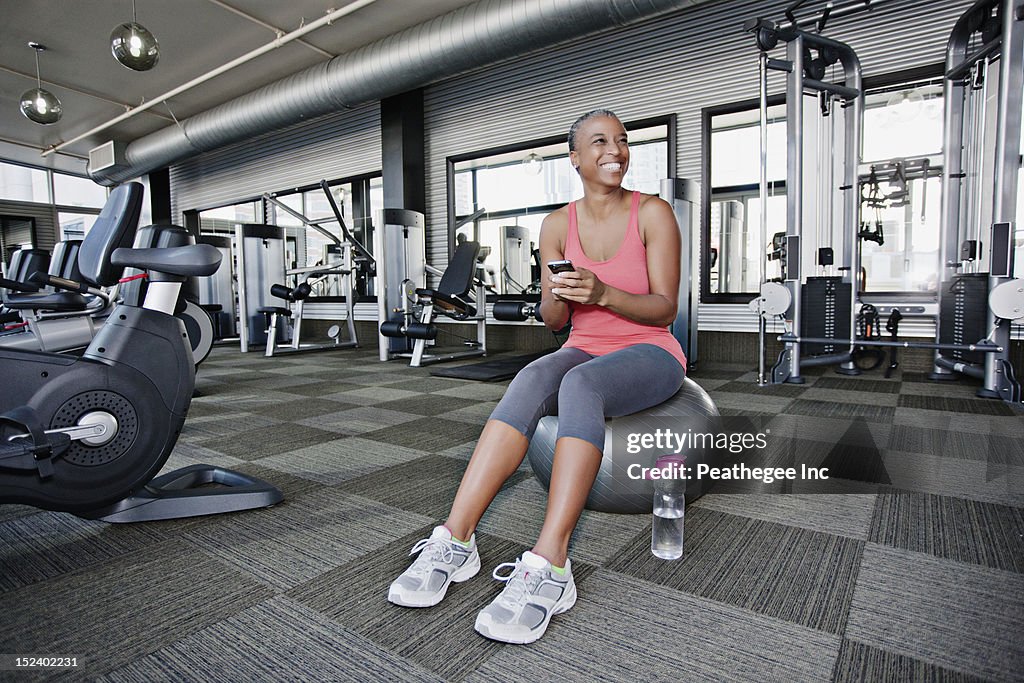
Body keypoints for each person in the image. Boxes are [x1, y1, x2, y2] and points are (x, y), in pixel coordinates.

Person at [387, 109, 687, 644]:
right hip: (582, 345)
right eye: (599, 142)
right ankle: (455, 540)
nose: (614, 150)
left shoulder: (653, 213)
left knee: (581, 385)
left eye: (621, 141)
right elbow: (555, 321)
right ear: (575, 158)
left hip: (651, 351)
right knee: (530, 378)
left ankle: (551, 563)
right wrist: (560, 296)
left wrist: (604, 293)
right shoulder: (555, 226)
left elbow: (665, 309)